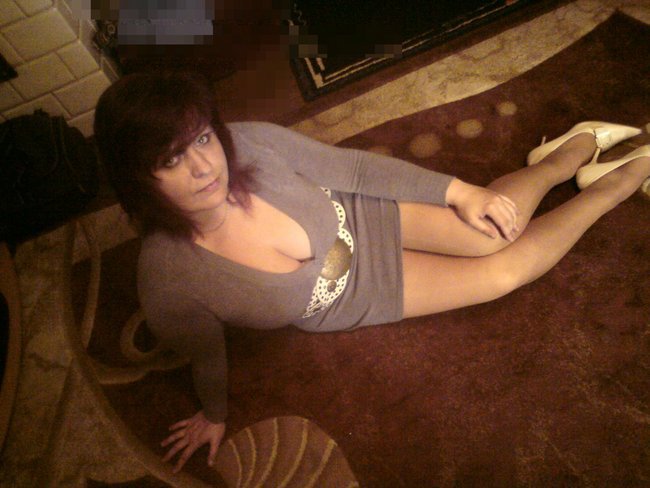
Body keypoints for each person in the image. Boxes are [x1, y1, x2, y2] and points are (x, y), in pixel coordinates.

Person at [94, 70, 650, 473]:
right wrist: (214, 413)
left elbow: (352, 169)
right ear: (138, 179)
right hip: (349, 294)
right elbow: (204, 351)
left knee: (490, 228)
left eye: (202, 138)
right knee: (503, 273)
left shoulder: (250, 142)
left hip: (360, 215)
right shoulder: (169, 278)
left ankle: (567, 152)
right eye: (171, 159)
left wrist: (461, 191)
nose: (204, 166)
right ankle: (620, 182)